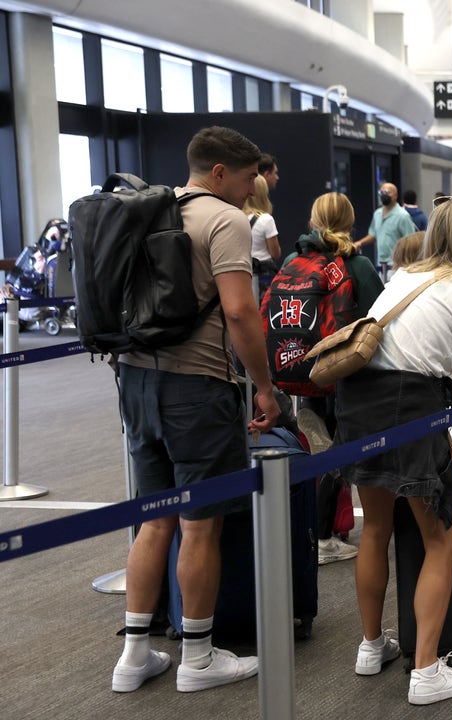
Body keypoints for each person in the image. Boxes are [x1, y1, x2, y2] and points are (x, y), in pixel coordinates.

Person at [111, 126, 280, 694]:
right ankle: (198, 658)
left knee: (154, 518)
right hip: (197, 388)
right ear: (219, 173)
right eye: (249, 177)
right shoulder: (226, 220)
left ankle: (135, 655)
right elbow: (240, 312)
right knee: (198, 523)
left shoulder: (149, 211)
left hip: (135, 379)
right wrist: (264, 387)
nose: (253, 188)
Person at [334, 197, 452, 706]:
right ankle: (427, 671)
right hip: (412, 403)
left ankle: (370, 647)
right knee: (440, 539)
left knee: (376, 527)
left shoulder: (404, 277)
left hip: (360, 398)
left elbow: (401, 353)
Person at [281, 192, 384, 565]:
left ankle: (313, 532)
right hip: (346, 375)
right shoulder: (358, 265)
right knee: (339, 452)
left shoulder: (293, 260)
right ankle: (323, 535)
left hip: (303, 370)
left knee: (317, 450)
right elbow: (379, 317)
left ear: (312, 221)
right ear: (351, 223)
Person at [354, 182, 418, 269]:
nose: (384, 195)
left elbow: (411, 241)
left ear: (396, 195)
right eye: (381, 192)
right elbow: (373, 234)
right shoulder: (377, 213)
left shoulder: (403, 216)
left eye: (387, 192)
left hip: (398, 264)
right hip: (381, 263)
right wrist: (360, 243)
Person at [243, 175, 279, 293]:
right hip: (264, 275)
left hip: (244, 273)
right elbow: (275, 254)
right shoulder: (266, 219)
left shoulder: (237, 216)